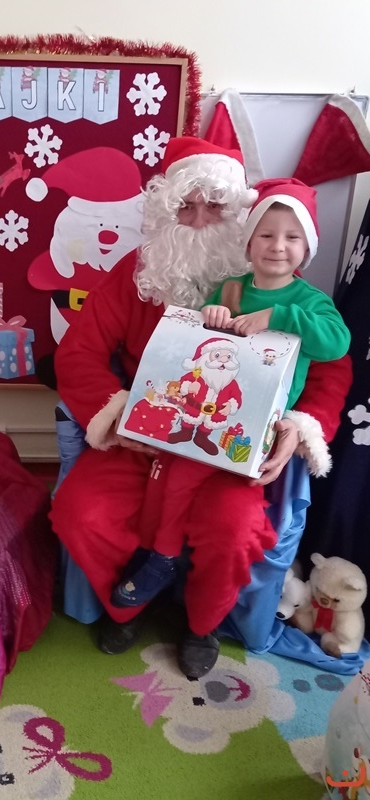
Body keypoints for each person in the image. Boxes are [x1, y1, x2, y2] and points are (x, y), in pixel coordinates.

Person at [49, 137, 352, 680]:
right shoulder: (139, 273)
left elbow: (330, 369)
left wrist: (298, 426)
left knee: (234, 531)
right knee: (80, 512)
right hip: (144, 440)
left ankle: (201, 625)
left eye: (214, 205)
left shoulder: (278, 290)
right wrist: (117, 411)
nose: (197, 220)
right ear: (164, 214)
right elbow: (79, 353)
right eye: (184, 206)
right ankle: (129, 606)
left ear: (241, 217)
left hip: (227, 451)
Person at [110, 177, 351, 611]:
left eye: (292, 237)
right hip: (211, 413)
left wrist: (279, 315)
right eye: (267, 235)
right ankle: (162, 559)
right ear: (249, 241)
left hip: (260, 427)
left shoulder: (310, 301)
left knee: (222, 510)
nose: (278, 246)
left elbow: (336, 343)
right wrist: (213, 312)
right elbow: (205, 338)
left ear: (308, 247)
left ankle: (190, 591)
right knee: (173, 476)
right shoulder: (232, 287)